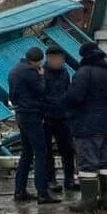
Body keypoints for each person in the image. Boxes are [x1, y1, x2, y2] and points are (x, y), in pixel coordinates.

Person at [64, 42, 107, 212]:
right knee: (106, 163)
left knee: (88, 163)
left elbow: (74, 97)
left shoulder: (83, 73)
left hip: (86, 125)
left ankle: (88, 200)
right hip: (105, 124)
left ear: (84, 56)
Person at [8, 47, 60, 204]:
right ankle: (42, 193)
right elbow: (41, 90)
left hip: (21, 114)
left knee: (27, 153)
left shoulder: (14, 70)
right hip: (32, 115)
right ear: (38, 60)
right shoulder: (32, 72)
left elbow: (13, 95)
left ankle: (20, 190)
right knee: (41, 153)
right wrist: (42, 77)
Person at [42, 46, 78, 193]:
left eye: (60, 59)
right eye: (54, 59)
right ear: (48, 58)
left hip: (63, 117)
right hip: (47, 117)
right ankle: (51, 179)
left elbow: (67, 91)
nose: (57, 62)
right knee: (47, 151)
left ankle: (69, 179)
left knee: (68, 149)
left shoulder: (65, 73)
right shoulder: (41, 73)